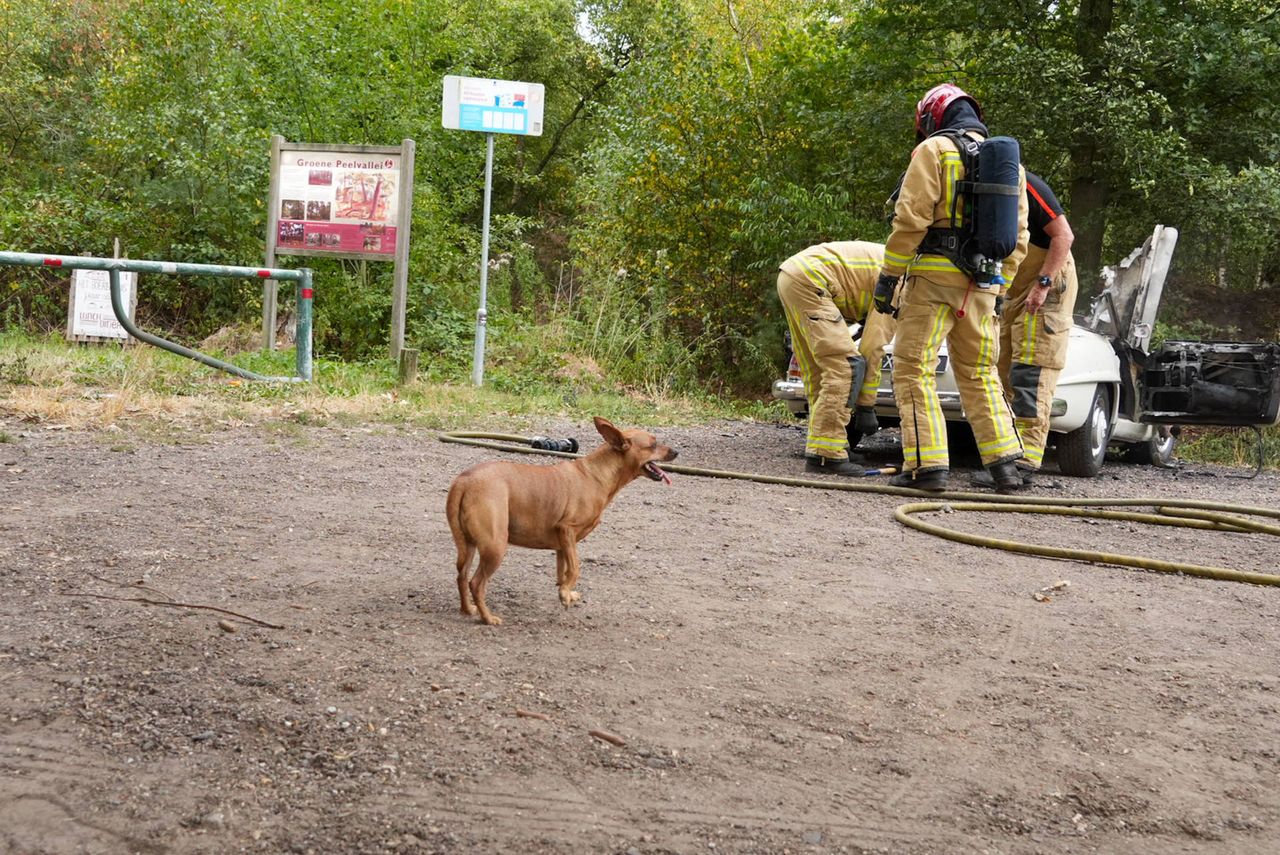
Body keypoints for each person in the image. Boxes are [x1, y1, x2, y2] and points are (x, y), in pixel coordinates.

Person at [873, 83, 1030, 492]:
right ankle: (1007, 466)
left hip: (933, 280)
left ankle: (927, 468)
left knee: (912, 369)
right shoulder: (1008, 163)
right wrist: (999, 288)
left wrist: (889, 276)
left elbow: (911, 221)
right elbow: (1020, 237)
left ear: (931, 117)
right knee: (980, 372)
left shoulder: (934, 151)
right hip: (982, 285)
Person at [974, 171, 1079, 488]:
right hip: (1012, 286)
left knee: (1030, 368)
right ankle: (1008, 453)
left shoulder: (1026, 185)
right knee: (1001, 366)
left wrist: (1044, 283)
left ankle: (1027, 459)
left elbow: (1064, 236)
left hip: (1047, 281)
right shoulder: (970, 190)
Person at [777, 241, 896, 475]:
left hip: (792, 274)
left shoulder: (899, 266)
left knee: (820, 372)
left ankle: (831, 444)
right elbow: (873, 348)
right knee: (845, 367)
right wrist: (865, 406)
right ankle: (826, 455)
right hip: (812, 278)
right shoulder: (903, 285)